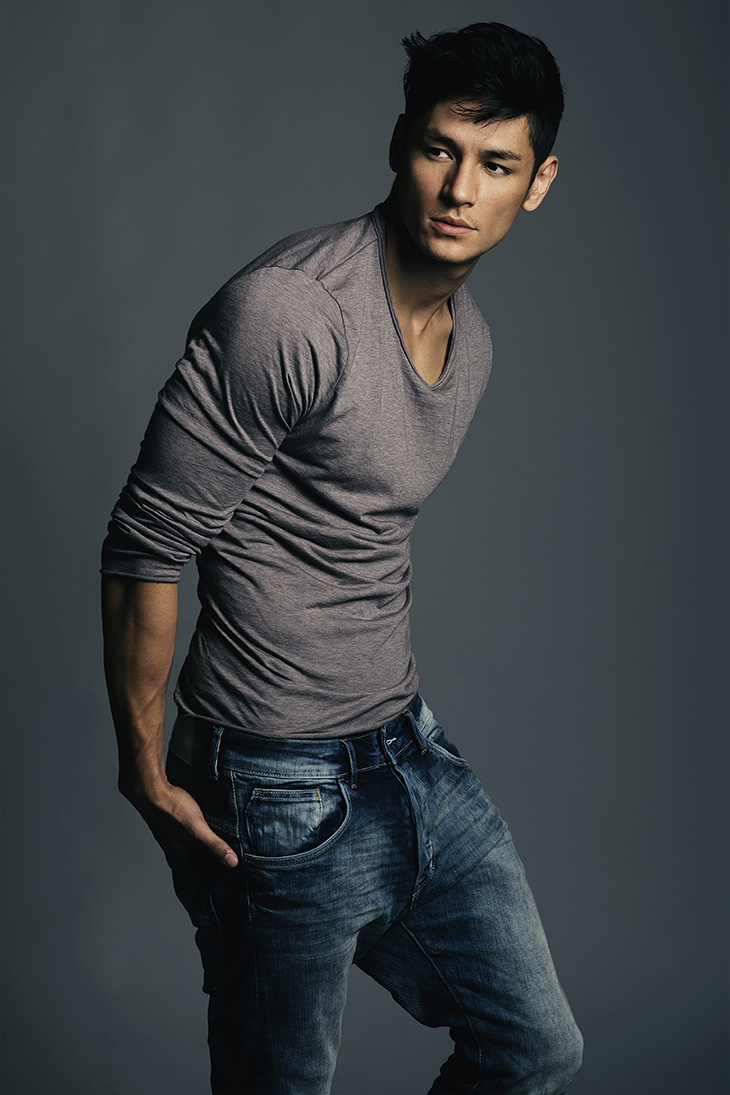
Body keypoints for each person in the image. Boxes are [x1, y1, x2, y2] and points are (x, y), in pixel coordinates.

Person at [101, 21, 583, 1095]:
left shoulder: (473, 343)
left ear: (537, 183)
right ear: (400, 144)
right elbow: (146, 540)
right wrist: (144, 766)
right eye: (439, 149)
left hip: (405, 749)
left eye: (496, 163)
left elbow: (357, 532)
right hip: (273, 780)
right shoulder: (291, 313)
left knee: (534, 1049)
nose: (460, 188)